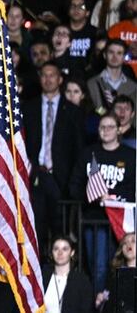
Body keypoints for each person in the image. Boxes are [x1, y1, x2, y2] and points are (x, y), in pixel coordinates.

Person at [68, 112, 136, 295]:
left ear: (119, 129)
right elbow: (73, 186)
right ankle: (100, 304)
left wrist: (113, 196)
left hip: (124, 224)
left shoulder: (131, 156)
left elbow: (133, 188)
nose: (105, 131)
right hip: (94, 220)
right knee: (98, 268)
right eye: (102, 127)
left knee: (124, 266)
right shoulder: (88, 153)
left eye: (110, 127)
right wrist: (94, 196)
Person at [23, 62, 85, 252]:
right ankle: (39, 277)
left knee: (62, 234)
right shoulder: (28, 108)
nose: (48, 79)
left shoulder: (73, 111)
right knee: (36, 233)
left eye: (52, 75)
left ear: (60, 79)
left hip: (62, 182)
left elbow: (79, 149)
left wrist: (74, 183)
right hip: (35, 178)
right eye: (44, 75)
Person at [41, 235, 94, 313]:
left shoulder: (82, 281)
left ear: (72, 252)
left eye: (65, 249)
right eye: (56, 249)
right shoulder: (42, 277)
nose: (60, 253)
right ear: (52, 252)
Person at [86, 39, 137, 115]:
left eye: (119, 53)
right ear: (104, 55)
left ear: (124, 57)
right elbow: (93, 109)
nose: (115, 57)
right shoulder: (92, 84)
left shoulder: (133, 87)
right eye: (111, 52)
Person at [96, 231, 136, 312]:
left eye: (133, 241)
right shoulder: (115, 275)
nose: (128, 244)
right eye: (125, 242)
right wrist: (101, 303)